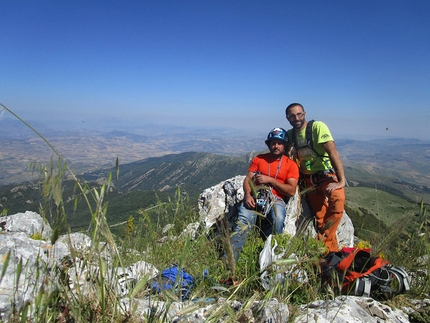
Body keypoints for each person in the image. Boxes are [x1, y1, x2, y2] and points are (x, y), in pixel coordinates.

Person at [230, 127, 299, 261]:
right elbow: (248, 179)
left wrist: (271, 180)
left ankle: (270, 255)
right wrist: (248, 195)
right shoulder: (259, 159)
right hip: (255, 196)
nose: (276, 146)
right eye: (273, 143)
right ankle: (232, 259)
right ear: (269, 144)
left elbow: (291, 191)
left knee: (278, 219)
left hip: (276, 199)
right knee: (243, 220)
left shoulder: (290, 165)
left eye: (279, 143)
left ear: (285, 145)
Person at [285, 103, 346, 252]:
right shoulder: (290, 134)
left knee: (338, 199)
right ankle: (331, 254)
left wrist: (341, 180)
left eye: (299, 114)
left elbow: (333, 152)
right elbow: (286, 156)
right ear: (288, 118)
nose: (296, 118)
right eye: (292, 116)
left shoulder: (317, 127)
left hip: (326, 175)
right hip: (308, 180)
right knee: (320, 219)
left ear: (304, 113)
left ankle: (324, 243)